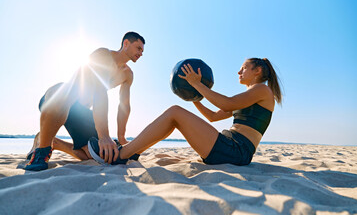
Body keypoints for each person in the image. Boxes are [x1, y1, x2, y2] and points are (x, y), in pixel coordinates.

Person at [88, 58, 282, 166]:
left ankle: (122, 155)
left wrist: (196, 84)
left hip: (236, 150)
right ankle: (133, 151)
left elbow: (227, 103)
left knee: (175, 112)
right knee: (175, 117)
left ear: (257, 71)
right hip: (229, 146)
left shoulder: (262, 90)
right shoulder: (250, 96)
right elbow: (213, 116)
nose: (239, 72)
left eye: (244, 68)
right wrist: (195, 96)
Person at [25, 31, 145, 171]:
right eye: (138, 48)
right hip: (58, 100)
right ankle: (42, 150)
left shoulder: (127, 75)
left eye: (142, 50)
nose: (141, 53)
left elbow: (124, 105)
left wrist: (121, 136)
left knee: (97, 155)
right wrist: (104, 135)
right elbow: (99, 89)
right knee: (63, 93)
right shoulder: (103, 55)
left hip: (80, 113)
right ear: (126, 44)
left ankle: (55, 142)